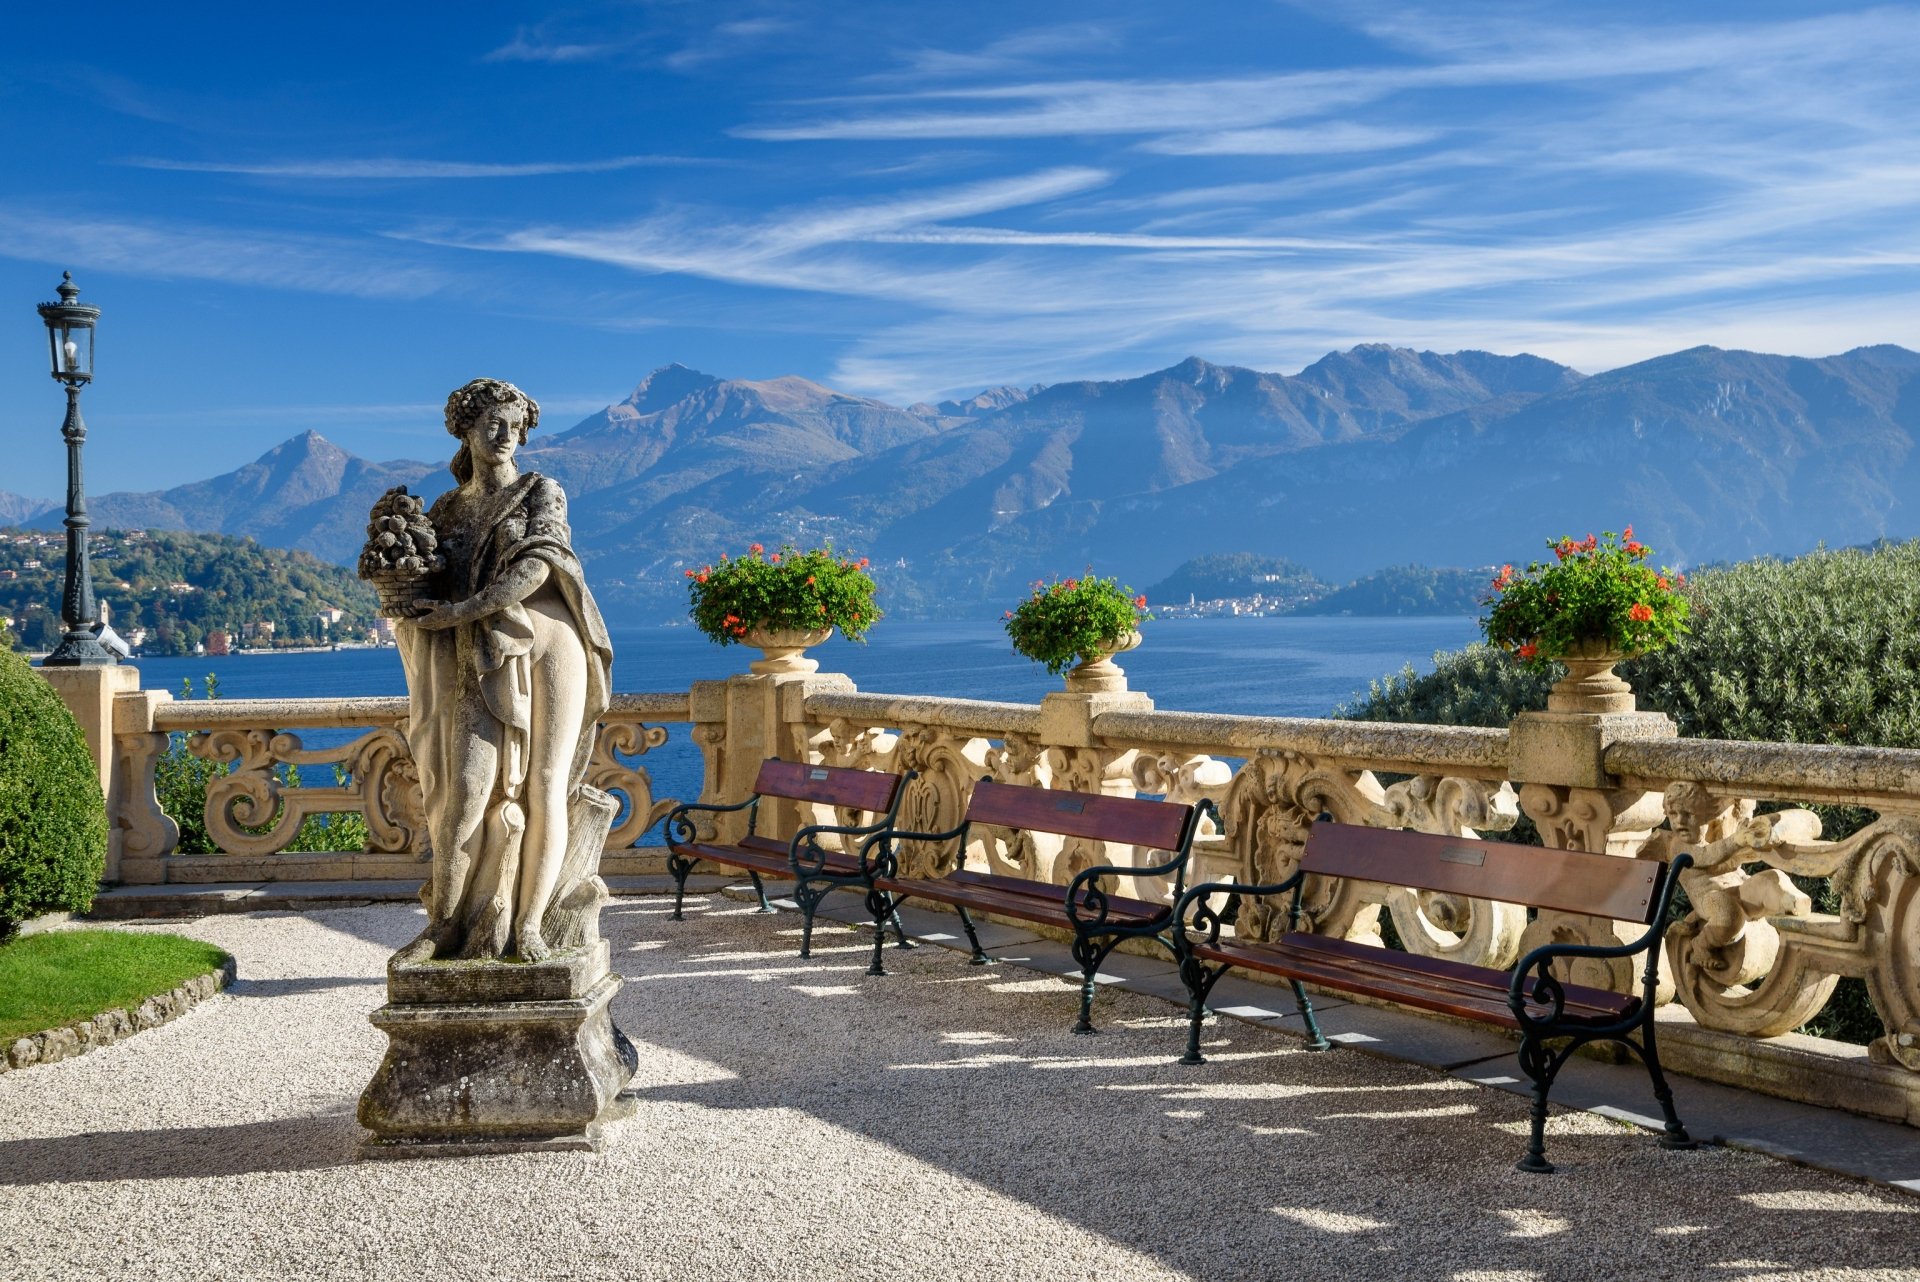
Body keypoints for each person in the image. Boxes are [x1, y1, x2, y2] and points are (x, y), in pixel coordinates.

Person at [392, 377, 613, 962]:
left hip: (552, 643)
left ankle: (531, 925)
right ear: (464, 428)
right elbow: (428, 582)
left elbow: (540, 565)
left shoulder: (543, 491)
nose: (506, 436)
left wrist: (459, 611)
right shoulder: (445, 509)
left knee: (546, 786)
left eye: (515, 426)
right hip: (477, 649)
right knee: (462, 791)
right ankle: (444, 922)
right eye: (493, 422)